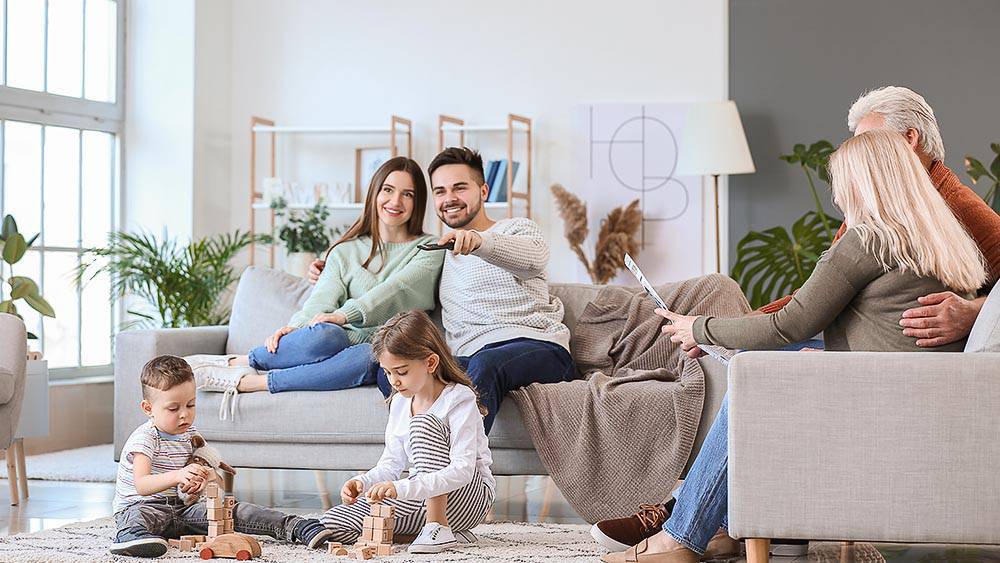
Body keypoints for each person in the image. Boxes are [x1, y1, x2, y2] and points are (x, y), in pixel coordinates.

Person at [591, 85, 1000, 555]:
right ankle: (710, 515)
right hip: (911, 382)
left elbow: (793, 322)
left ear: (898, 151)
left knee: (752, 380)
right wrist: (739, 334)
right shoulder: (936, 228)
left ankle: (682, 535)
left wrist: (700, 328)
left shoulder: (885, 231)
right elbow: (814, 305)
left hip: (878, 390)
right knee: (762, 358)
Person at [310, 147, 576, 433]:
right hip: (469, 358)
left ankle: (457, 473)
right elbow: (395, 287)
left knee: (488, 363)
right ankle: (419, 460)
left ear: (483, 191)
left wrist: (478, 242)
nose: (449, 198)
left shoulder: (516, 229)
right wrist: (326, 271)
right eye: (440, 191)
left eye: (460, 188)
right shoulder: (437, 252)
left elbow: (533, 259)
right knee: (395, 371)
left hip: (538, 348)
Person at [187, 157, 443, 415]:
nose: (395, 201)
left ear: (417, 202)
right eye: (387, 190)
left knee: (371, 355)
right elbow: (323, 298)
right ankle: (239, 361)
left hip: (381, 348)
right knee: (326, 333)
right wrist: (295, 328)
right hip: (339, 339)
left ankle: (252, 382)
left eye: (407, 194)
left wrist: (345, 315)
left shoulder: (430, 249)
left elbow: (397, 288)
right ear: (374, 193)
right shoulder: (345, 251)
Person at [110, 355, 333, 557]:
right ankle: (133, 536)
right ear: (148, 408)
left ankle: (295, 526)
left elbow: (215, 481)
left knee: (232, 510)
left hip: (183, 509)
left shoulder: (191, 435)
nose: (184, 414)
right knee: (137, 515)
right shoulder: (144, 439)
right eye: (173, 408)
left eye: (191, 404)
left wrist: (206, 478)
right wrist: (179, 475)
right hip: (145, 507)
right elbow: (141, 485)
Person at [319, 310, 495, 554]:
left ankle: (438, 526)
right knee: (330, 524)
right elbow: (391, 464)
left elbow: (463, 471)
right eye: (388, 372)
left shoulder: (458, 399)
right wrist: (363, 482)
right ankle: (434, 533)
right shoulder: (401, 402)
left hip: (467, 498)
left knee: (425, 423)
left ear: (431, 363)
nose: (394, 381)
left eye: (401, 371)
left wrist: (400, 489)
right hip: (421, 492)